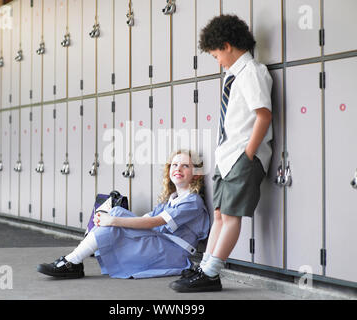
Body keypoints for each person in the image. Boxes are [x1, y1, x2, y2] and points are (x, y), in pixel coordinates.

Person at [170, 14, 273, 292]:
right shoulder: (233, 75)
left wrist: (248, 155)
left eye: (215, 54)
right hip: (227, 156)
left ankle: (213, 272)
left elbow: (263, 116)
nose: (217, 60)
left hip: (241, 157)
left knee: (230, 217)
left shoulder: (251, 72)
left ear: (227, 46)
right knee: (219, 215)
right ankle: (204, 268)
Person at [37, 149, 210, 279]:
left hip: (173, 253)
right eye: (174, 164)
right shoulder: (171, 199)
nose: (178, 168)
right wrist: (110, 220)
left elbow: (153, 223)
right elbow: (145, 219)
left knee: (116, 217)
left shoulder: (192, 202)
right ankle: (73, 261)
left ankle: (72, 262)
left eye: (185, 166)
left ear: (195, 175)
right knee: (117, 213)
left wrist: (113, 221)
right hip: (160, 244)